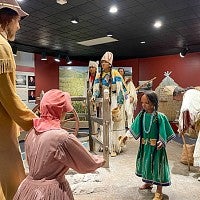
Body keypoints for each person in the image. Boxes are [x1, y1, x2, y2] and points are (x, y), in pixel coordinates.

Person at [13, 89, 105, 200]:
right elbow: (87, 164)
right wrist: (101, 159)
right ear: (60, 111)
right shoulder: (62, 138)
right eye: (64, 109)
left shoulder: (32, 132)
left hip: (27, 189)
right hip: (52, 192)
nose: (66, 113)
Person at [0, 1, 37, 199]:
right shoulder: (2, 47)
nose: (19, 26)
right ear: (7, 19)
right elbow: (8, 96)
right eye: (17, 20)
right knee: (13, 175)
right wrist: (34, 121)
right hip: (1, 126)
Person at [130, 91, 175, 200]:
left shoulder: (160, 117)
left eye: (147, 102)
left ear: (154, 103)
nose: (144, 105)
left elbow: (165, 131)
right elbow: (134, 127)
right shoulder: (141, 115)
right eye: (142, 102)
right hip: (145, 147)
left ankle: (159, 191)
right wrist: (127, 136)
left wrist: (162, 141)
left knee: (157, 167)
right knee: (147, 164)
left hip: (157, 148)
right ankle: (148, 183)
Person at [91, 52, 127, 157]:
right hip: (104, 102)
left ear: (110, 63)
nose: (103, 64)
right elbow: (96, 89)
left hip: (114, 100)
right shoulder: (99, 75)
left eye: (105, 62)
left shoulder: (116, 74)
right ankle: (105, 145)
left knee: (113, 123)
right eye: (102, 62)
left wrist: (120, 104)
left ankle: (114, 147)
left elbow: (120, 90)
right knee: (105, 122)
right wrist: (94, 96)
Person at [172, 86, 200, 176]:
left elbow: (185, 110)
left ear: (179, 94)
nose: (178, 101)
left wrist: (181, 126)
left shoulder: (188, 95)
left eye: (176, 99)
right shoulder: (194, 93)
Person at [118, 67, 137, 137]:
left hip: (128, 99)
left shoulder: (128, 81)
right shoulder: (117, 80)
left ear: (123, 73)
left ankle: (131, 130)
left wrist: (132, 97)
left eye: (121, 71)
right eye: (119, 71)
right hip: (119, 100)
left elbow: (132, 89)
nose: (120, 72)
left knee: (129, 114)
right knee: (121, 115)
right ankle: (121, 130)